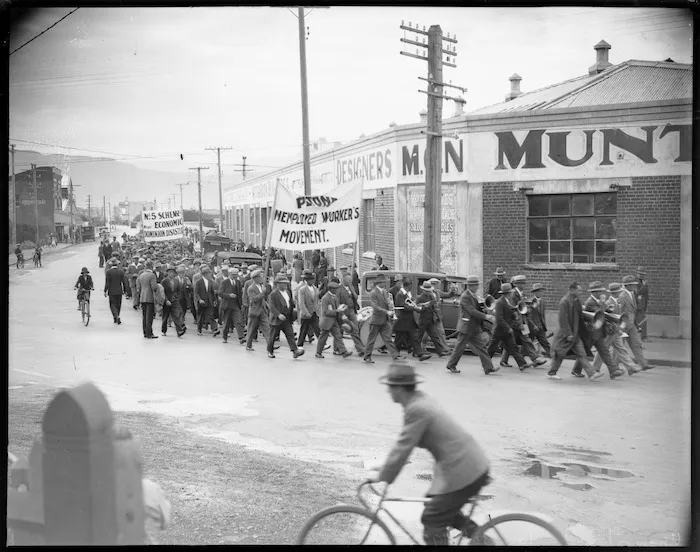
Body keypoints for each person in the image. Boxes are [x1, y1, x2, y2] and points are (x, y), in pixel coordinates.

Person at [370, 363, 492, 546]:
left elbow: (403, 447)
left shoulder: (417, 409)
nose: (388, 391)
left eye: (390, 387)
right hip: (466, 464)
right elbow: (405, 446)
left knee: (433, 518)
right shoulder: (419, 401)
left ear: (400, 388)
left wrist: (383, 476)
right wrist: (386, 467)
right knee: (437, 507)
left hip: (464, 468)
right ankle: (481, 538)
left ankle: (482, 540)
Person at [546, 282, 603, 381]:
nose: (580, 292)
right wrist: (568, 334)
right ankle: (552, 372)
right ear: (572, 290)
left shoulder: (576, 301)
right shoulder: (564, 302)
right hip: (565, 335)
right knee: (560, 354)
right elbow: (563, 319)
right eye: (579, 290)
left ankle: (592, 373)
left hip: (576, 334)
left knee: (581, 354)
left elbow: (580, 316)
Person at [446, 276, 498, 375]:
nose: (477, 287)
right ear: (470, 286)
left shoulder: (473, 295)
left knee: (482, 347)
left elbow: (477, 309)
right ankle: (451, 365)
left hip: (474, 327)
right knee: (459, 348)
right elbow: (472, 311)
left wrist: (486, 310)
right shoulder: (465, 296)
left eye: (477, 285)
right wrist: (486, 316)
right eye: (476, 285)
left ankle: (488, 367)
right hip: (466, 326)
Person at [582, 281, 624, 379]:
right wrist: (602, 303)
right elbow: (600, 314)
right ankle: (577, 369)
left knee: (604, 351)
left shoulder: (597, 301)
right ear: (594, 292)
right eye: (599, 291)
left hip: (599, 331)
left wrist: (610, 311)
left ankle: (613, 371)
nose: (601, 293)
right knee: (582, 352)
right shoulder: (590, 302)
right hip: (592, 331)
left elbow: (605, 311)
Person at [486, 284, 533, 371]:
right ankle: (486, 365)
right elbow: (499, 318)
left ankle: (522, 365)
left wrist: (514, 316)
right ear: (507, 293)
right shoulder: (500, 302)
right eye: (511, 292)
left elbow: (507, 313)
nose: (512, 294)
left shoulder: (507, 301)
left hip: (506, 331)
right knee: (491, 348)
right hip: (499, 330)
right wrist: (508, 327)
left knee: (513, 347)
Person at [599, 283, 641, 375]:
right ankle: (595, 368)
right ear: (615, 293)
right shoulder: (610, 303)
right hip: (610, 330)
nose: (620, 293)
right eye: (619, 292)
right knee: (603, 349)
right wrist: (618, 329)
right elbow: (610, 317)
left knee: (620, 349)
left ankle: (629, 368)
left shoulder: (616, 302)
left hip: (615, 329)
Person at [363, 274, 403, 363]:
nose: (385, 284)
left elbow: (388, 303)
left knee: (388, 339)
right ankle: (367, 356)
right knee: (371, 339)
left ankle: (395, 355)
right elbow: (375, 306)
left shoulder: (385, 292)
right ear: (379, 283)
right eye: (384, 282)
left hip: (385, 320)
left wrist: (391, 307)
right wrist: (386, 311)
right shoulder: (373, 293)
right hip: (376, 320)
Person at [619, 275, 655, 371]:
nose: (634, 286)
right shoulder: (622, 296)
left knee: (636, 344)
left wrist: (636, 323)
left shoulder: (633, 294)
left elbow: (634, 310)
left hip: (632, 325)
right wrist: (620, 327)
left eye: (634, 284)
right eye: (632, 285)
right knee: (618, 348)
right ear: (627, 285)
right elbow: (619, 312)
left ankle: (643, 364)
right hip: (623, 326)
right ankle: (613, 367)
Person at [267, 273, 305, 359]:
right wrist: (278, 314)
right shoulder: (274, 294)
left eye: (286, 283)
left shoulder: (287, 292)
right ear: (278, 284)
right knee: (273, 336)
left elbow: (290, 303)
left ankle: (295, 351)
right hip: (277, 318)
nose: (285, 285)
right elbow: (271, 306)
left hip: (286, 318)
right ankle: (270, 350)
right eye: (283, 283)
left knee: (290, 334)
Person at [393, 278, 432, 361]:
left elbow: (412, 302)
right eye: (411, 285)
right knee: (399, 339)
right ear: (409, 285)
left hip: (409, 319)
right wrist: (415, 309)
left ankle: (420, 354)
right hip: (402, 320)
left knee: (415, 337)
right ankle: (395, 354)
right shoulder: (400, 294)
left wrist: (420, 305)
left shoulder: (407, 293)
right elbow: (403, 307)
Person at [316, 280, 353, 359]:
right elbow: (325, 312)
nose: (337, 290)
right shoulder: (325, 298)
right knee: (323, 337)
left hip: (334, 321)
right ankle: (318, 352)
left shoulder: (335, 297)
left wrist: (342, 313)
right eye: (335, 289)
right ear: (331, 289)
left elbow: (337, 308)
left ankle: (344, 351)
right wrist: (337, 311)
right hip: (327, 321)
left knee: (338, 336)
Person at [415, 281, 449, 358]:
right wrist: (424, 306)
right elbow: (416, 306)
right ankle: (416, 351)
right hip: (423, 320)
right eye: (427, 291)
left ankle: (440, 351)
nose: (428, 292)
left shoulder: (431, 296)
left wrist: (435, 313)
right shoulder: (420, 297)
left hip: (430, 320)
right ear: (423, 290)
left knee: (435, 336)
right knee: (419, 336)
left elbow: (434, 306)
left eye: (429, 290)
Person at [336, 273, 365, 356]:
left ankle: (360, 349)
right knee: (341, 330)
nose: (350, 281)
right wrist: (341, 313)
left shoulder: (351, 287)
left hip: (351, 310)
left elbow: (356, 297)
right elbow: (337, 302)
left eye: (350, 280)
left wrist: (352, 290)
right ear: (344, 280)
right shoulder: (339, 289)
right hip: (343, 310)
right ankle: (337, 348)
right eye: (348, 280)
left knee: (355, 329)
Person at [246, 269, 271, 351]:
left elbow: (262, 299)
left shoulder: (261, 286)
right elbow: (254, 299)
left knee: (267, 328)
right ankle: (248, 345)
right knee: (252, 329)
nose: (262, 278)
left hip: (262, 310)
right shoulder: (251, 288)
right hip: (255, 311)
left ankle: (270, 344)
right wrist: (262, 293)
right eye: (260, 276)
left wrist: (266, 305)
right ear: (255, 278)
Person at [297, 269, 322, 347]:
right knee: (303, 330)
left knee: (317, 329)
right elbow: (301, 303)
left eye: (313, 279)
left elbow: (316, 301)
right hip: (306, 314)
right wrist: (306, 313)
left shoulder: (315, 289)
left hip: (314, 312)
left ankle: (322, 344)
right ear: (307, 280)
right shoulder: (302, 289)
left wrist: (318, 310)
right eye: (310, 280)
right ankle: (299, 345)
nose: (312, 281)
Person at [194, 265, 220, 337]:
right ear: (204, 274)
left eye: (210, 273)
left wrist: (214, 299)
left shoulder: (211, 282)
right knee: (200, 316)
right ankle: (199, 330)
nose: (210, 274)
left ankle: (215, 329)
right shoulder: (199, 282)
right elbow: (196, 293)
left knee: (210, 315)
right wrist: (199, 300)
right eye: (208, 273)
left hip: (209, 301)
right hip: (201, 302)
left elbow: (212, 292)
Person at [161, 264, 187, 337]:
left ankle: (179, 331)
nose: (171, 274)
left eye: (172, 272)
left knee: (176, 316)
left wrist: (177, 297)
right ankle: (164, 330)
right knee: (165, 316)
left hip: (174, 300)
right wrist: (166, 300)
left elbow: (178, 290)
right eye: (170, 272)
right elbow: (162, 292)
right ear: (167, 273)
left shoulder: (176, 281)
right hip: (167, 301)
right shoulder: (164, 281)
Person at [527, 283, 551, 358]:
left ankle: (554, 358)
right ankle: (520, 358)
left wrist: (544, 326)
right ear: (535, 292)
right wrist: (533, 325)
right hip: (533, 327)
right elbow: (529, 316)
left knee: (545, 342)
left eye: (542, 291)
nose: (541, 293)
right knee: (528, 343)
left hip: (541, 327)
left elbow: (542, 316)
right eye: (540, 291)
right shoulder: (530, 302)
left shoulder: (543, 302)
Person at [136, 260, 159, 339]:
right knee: (150, 316)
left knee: (144, 315)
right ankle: (149, 333)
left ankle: (145, 332)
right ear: (151, 266)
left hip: (143, 297)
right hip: (150, 297)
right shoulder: (152, 275)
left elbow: (138, 286)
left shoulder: (141, 275)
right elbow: (154, 287)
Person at [104, 258, 128, 324]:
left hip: (111, 291)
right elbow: (124, 282)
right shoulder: (121, 272)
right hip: (119, 290)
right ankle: (117, 316)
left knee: (112, 305)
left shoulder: (108, 272)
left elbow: (107, 282)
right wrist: (125, 290)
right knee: (118, 304)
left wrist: (105, 290)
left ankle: (116, 316)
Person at [635, 267, 649, 341]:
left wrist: (646, 304)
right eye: (640, 274)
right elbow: (637, 293)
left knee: (641, 321)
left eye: (643, 274)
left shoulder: (643, 281)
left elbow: (646, 294)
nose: (641, 275)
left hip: (642, 304)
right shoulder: (635, 283)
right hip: (637, 305)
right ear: (636, 273)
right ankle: (643, 337)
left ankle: (642, 337)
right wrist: (644, 286)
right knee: (642, 320)